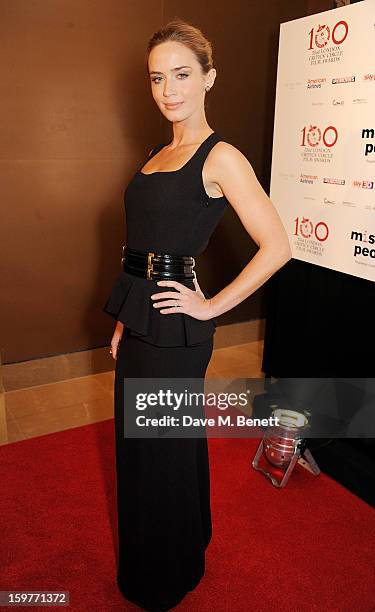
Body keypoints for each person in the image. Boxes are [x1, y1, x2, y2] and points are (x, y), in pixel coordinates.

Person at [103, 18, 291, 612]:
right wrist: (123, 318)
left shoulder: (221, 156)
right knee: (141, 446)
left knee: (162, 448)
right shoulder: (159, 151)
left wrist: (209, 305)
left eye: (182, 75)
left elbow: (279, 245)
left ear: (209, 78)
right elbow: (144, 244)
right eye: (157, 78)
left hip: (177, 332)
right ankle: (169, 548)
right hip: (140, 320)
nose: (168, 90)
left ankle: (166, 574)